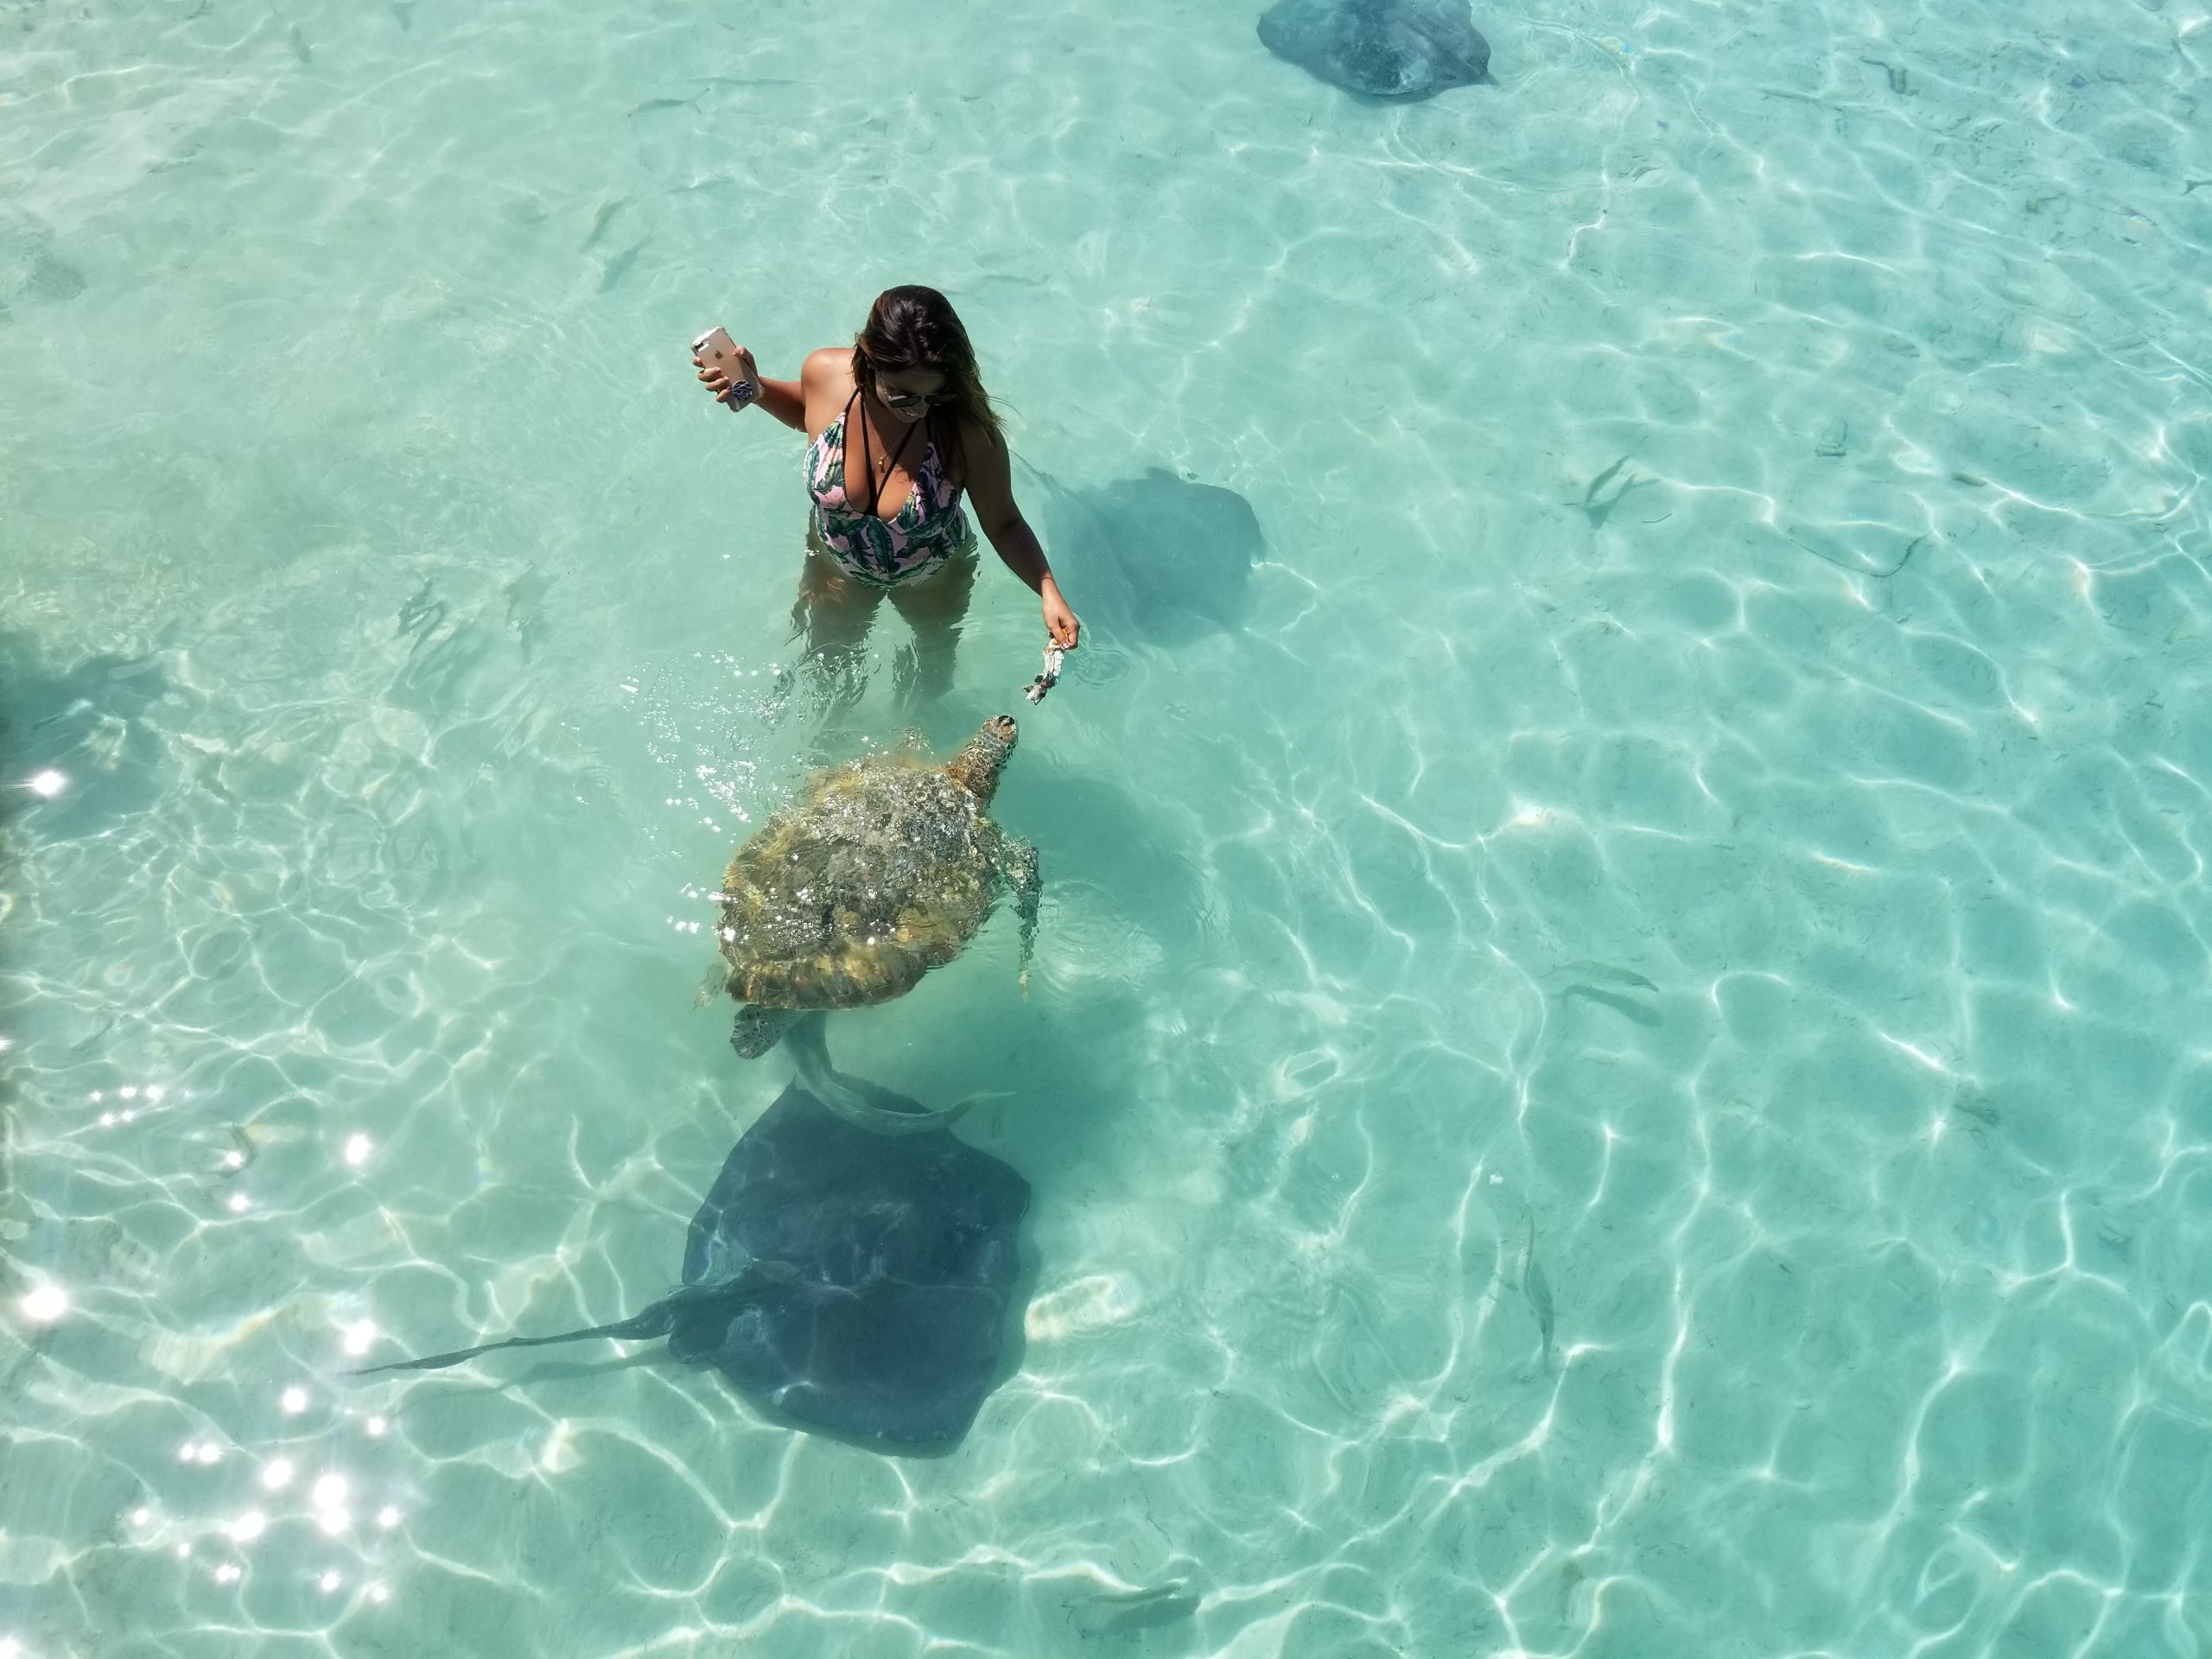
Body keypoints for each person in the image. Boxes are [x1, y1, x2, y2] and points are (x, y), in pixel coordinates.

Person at [696, 285, 1079, 704]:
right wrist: (758, 389)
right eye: (903, 395)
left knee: (927, 678)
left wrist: (1047, 590)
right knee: (826, 677)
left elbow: (1004, 522)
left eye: (936, 395)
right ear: (869, 360)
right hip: (836, 568)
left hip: (931, 579)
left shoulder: (965, 430)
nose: (919, 409)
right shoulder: (825, 372)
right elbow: (809, 412)